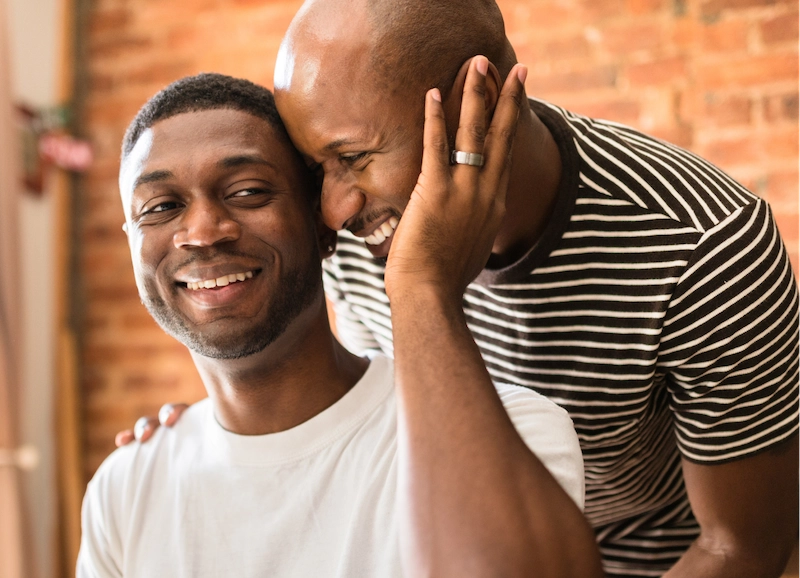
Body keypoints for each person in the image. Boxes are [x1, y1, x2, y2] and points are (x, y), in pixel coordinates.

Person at [123, 0, 800, 576]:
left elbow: (741, 544)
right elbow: (372, 420)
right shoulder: (364, 233)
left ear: (477, 98)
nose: (332, 208)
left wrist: (422, 286)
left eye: (353, 157)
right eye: (315, 165)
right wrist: (211, 435)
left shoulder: (703, 241)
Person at [79, 72, 603, 577]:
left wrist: (422, 288)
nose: (202, 232)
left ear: (322, 222)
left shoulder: (515, 432)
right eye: (162, 207)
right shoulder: (125, 489)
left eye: (247, 192)